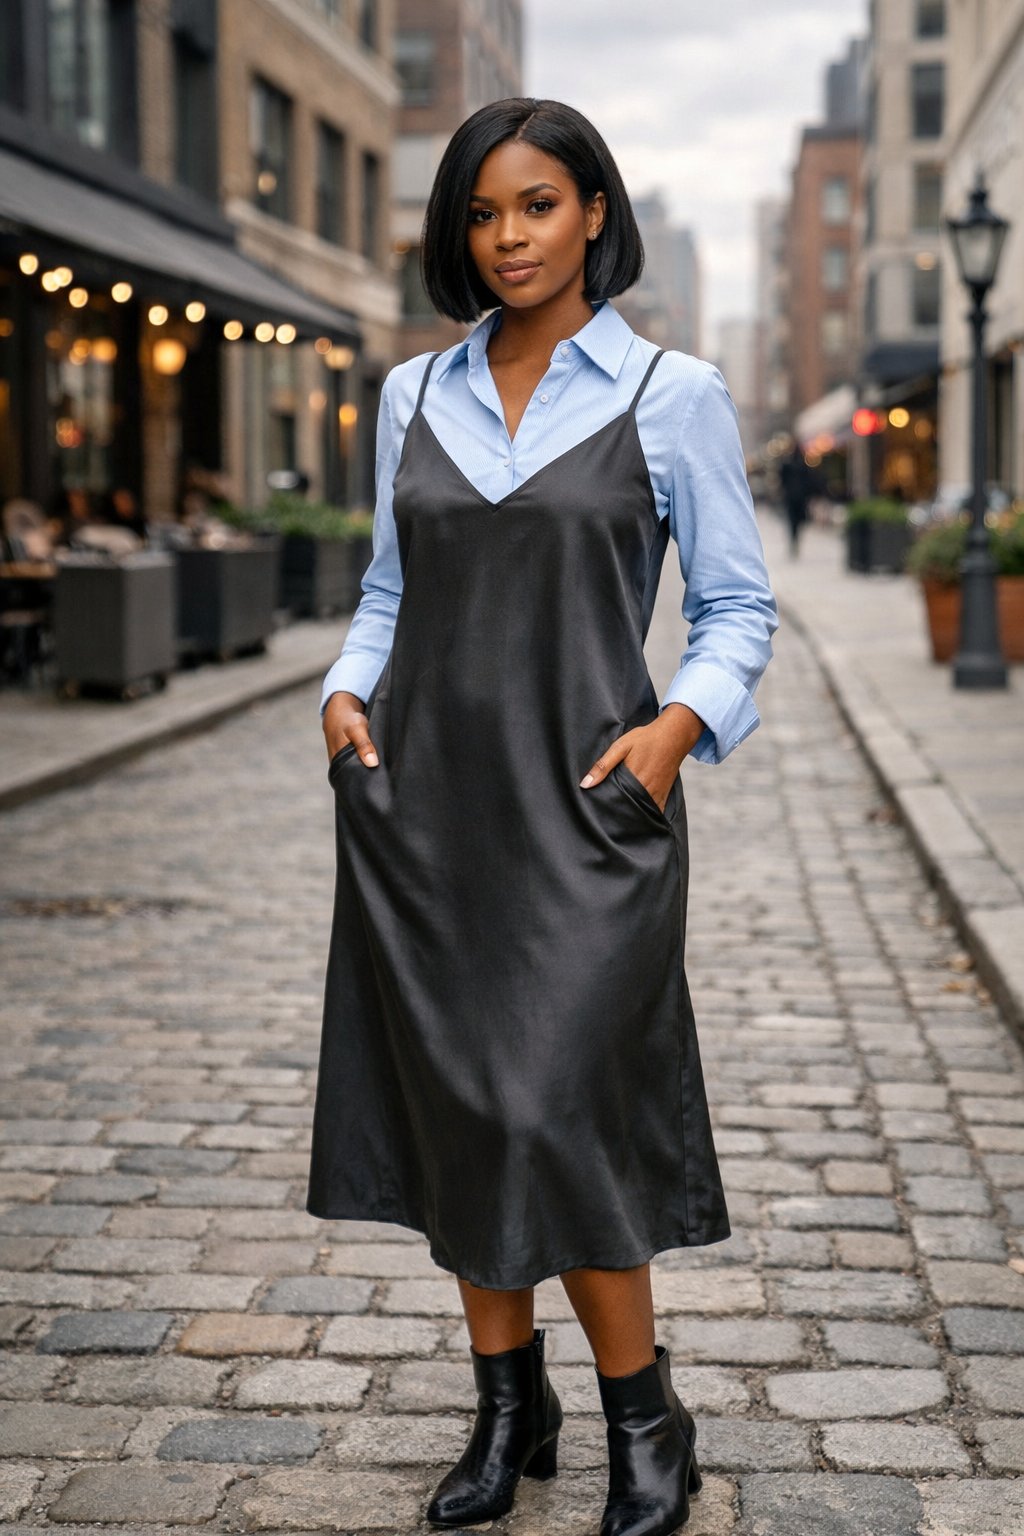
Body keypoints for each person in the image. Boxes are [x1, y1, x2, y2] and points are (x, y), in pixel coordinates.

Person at [307, 98, 778, 1536]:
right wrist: (343, 693)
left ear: (593, 215)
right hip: (426, 812)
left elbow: (738, 605)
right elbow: (390, 589)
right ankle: (511, 1403)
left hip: (587, 815)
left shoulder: (671, 392)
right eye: (482, 213)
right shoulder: (411, 395)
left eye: (537, 206)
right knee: (462, 1110)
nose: (508, 237)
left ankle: (649, 1413)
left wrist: (673, 732)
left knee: (550, 1109)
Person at [778, 441, 813, 557]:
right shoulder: (802, 465)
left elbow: (781, 480)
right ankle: (795, 540)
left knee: (793, 521)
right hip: (799, 498)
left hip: (792, 498)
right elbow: (808, 481)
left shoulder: (788, 465)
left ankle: (794, 540)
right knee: (796, 521)